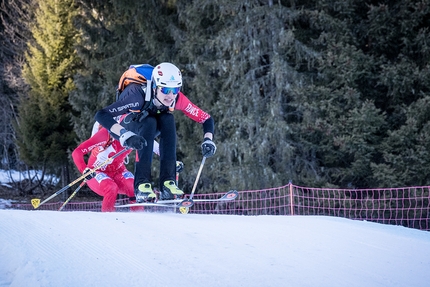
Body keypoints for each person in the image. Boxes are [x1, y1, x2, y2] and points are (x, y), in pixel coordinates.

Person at [95, 62, 216, 203]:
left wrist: (208, 139)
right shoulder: (136, 96)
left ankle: (167, 184)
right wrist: (124, 134)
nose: (170, 95)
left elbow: (206, 118)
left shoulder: (176, 98)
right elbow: (101, 115)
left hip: (147, 126)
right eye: (165, 90)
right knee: (149, 122)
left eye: (175, 89)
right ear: (154, 87)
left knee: (168, 118)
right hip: (124, 126)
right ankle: (142, 185)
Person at [72, 123, 145, 212]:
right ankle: (108, 217)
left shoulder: (133, 133)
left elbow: (151, 145)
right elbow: (77, 152)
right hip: (97, 172)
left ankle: (139, 215)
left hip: (118, 171)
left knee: (133, 185)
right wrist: (84, 169)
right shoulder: (102, 135)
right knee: (111, 187)